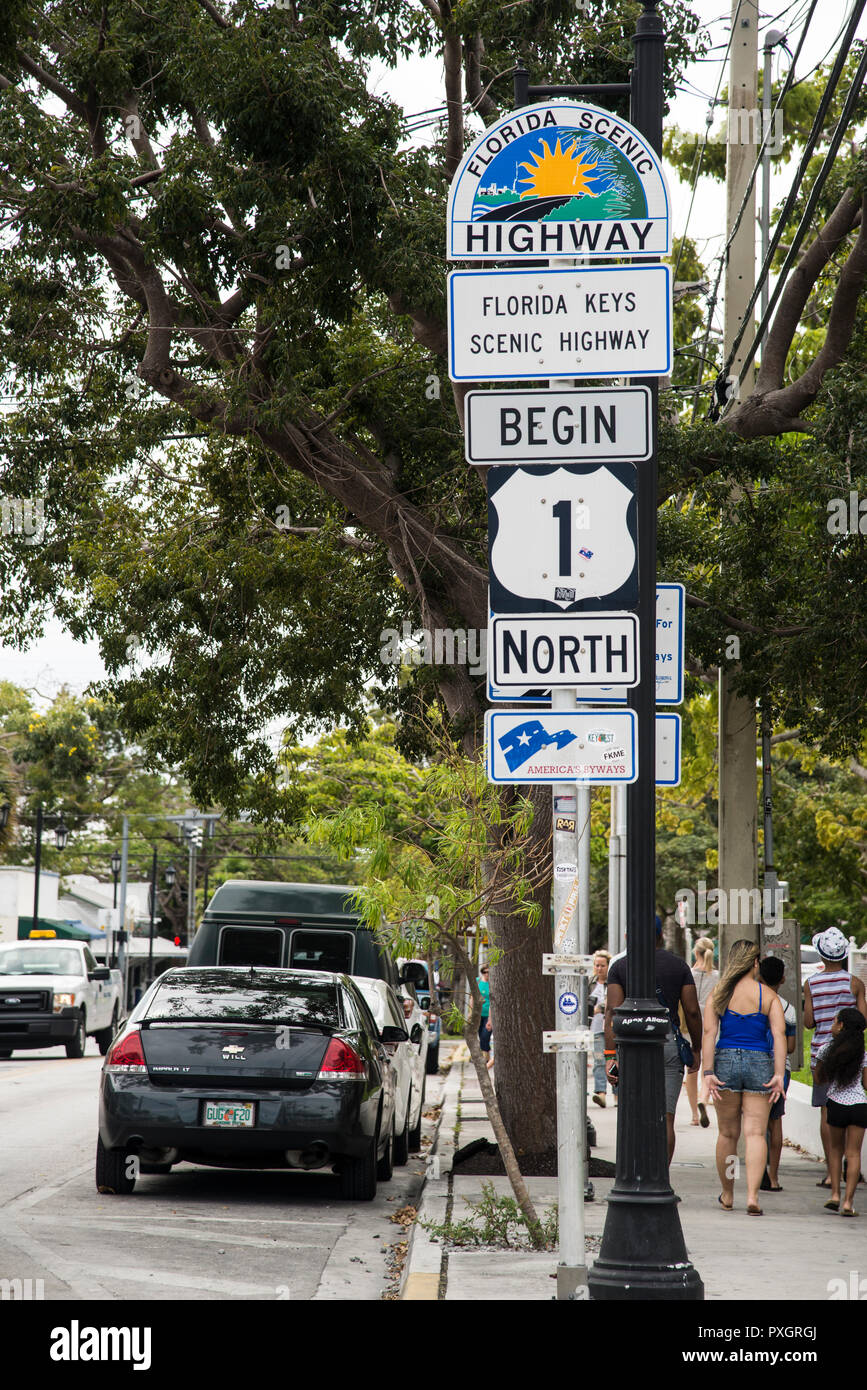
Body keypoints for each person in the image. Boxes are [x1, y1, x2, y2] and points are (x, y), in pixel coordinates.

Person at [604, 917, 702, 1162]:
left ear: (629, 937)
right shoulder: (679, 966)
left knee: (635, 1116)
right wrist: (697, 1049)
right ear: (661, 937)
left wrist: (609, 1056)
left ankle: (636, 1171)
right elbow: (691, 1010)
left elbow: (612, 1013)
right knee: (666, 1117)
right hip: (668, 1042)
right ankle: (661, 1177)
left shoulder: (620, 967)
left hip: (631, 1045)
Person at [702, 939, 786, 1215]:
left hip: (725, 1060)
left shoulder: (719, 993)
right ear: (754, 963)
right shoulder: (768, 996)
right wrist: (777, 1073)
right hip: (760, 1063)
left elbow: (709, 1034)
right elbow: (778, 1035)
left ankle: (728, 1193)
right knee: (755, 1134)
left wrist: (708, 1072)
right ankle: (752, 1197)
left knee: (728, 1133)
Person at [803, 927, 867, 1189]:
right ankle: (849, 1166)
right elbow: (862, 1022)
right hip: (851, 1056)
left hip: (822, 1055)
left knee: (827, 1114)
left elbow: (808, 1022)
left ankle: (831, 1174)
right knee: (849, 1105)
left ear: (820, 954)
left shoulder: (811, 983)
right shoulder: (855, 983)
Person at [814, 1008, 867, 1216]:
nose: (832, 1025)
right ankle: (848, 1202)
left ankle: (835, 1194)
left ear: (842, 1025)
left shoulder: (826, 1049)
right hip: (860, 1105)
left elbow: (819, 1079)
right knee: (853, 1154)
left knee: (835, 1151)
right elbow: (865, 1083)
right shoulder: (862, 1054)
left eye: (835, 1021)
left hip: (835, 1103)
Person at [758, 956, 797, 1191]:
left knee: (756, 1122)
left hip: (757, 1065)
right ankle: (773, 1177)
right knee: (775, 1120)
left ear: (759, 977)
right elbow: (791, 1047)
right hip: (782, 1070)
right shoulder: (787, 1008)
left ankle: (758, 1169)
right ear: (782, 979)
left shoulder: (754, 1002)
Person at [685, 937, 718, 1127]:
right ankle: (703, 1100)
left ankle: (694, 1116)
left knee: (692, 1067)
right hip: (711, 1022)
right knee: (708, 1065)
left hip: (690, 1023)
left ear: (695, 952)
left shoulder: (688, 974)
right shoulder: (717, 975)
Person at [589, 950, 611, 1107]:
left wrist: (601, 1007)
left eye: (602, 965)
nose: (599, 968)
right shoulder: (590, 983)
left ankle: (617, 1094)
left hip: (611, 1027)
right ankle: (601, 1093)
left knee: (614, 1060)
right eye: (597, 965)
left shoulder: (614, 983)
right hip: (595, 1027)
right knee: (598, 1060)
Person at [477, 964, 493, 1067]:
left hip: (488, 1015)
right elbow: (472, 998)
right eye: (484, 972)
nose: (486, 974)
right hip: (478, 1014)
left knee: (485, 1036)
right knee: (480, 1036)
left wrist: (490, 1020)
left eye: (488, 972)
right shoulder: (477, 981)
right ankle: (486, 1057)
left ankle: (486, 1059)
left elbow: (492, 1002)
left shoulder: (492, 984)